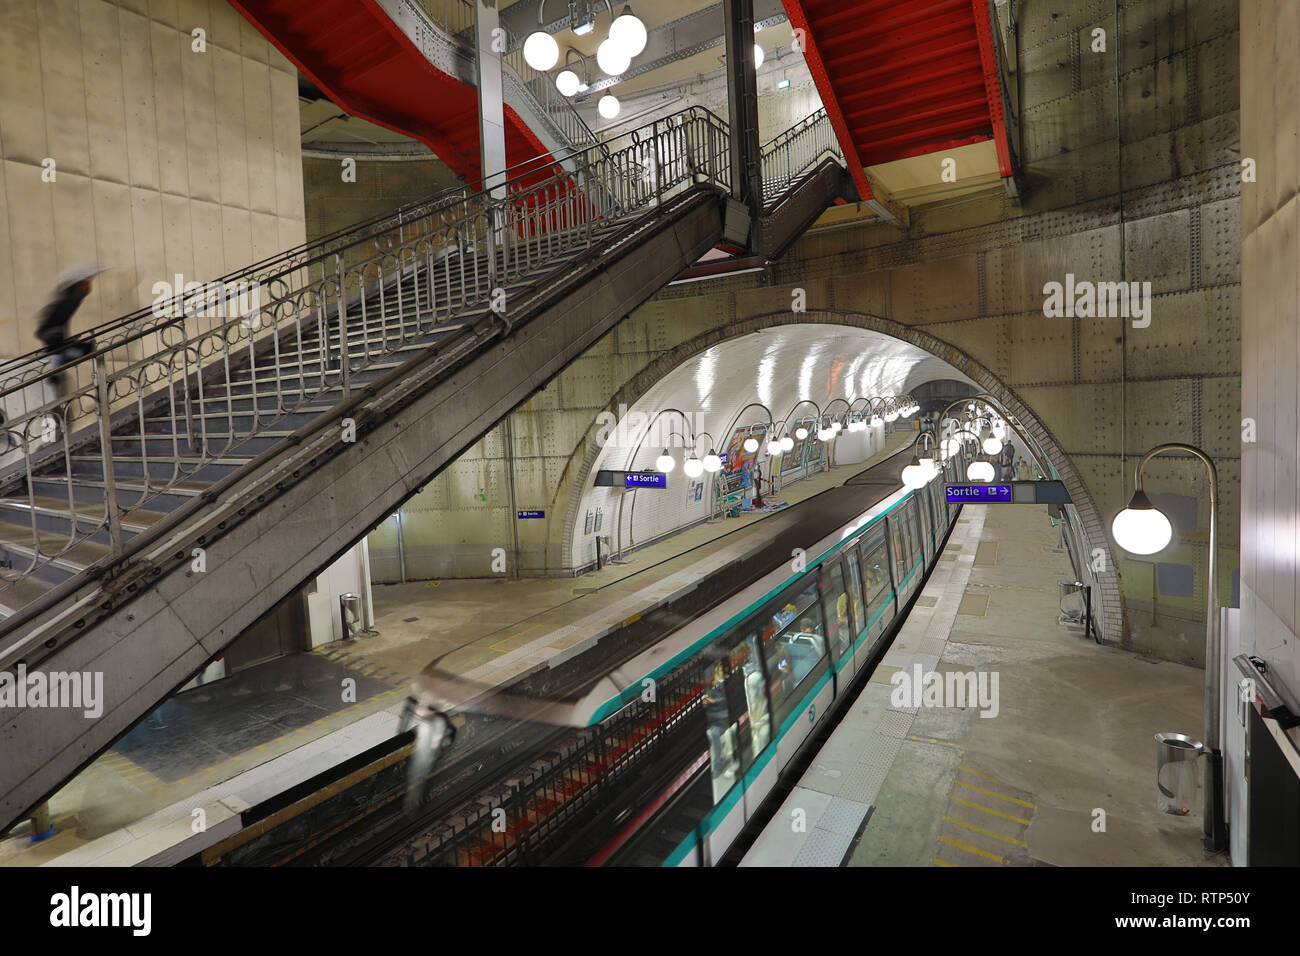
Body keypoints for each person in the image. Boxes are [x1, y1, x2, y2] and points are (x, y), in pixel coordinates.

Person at [37, 264, 102, 393]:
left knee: (84, 349)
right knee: (84, 349)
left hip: (55, 340)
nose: (89, 287)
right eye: (86, 284)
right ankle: (54, 372)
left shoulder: (72, 301)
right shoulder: (69, 302)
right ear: (77, 286)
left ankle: (55, 370)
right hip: (54, 340)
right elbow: (52, 326)